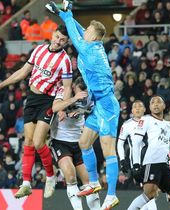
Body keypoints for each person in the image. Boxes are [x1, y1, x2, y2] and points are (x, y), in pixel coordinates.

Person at [0, 25, 73, 199]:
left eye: (62, 40)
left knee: (39, 142)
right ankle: (26, 184)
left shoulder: (65, 61)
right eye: (57, 37)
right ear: (53, 35)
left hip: (48, 101)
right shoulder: (39, 50)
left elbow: (67, 87)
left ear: (66, 42)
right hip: (32, 99)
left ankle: (50, 176)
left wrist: (62, 106)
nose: (58, 41)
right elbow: (23, 72)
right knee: (29, 142)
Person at [46, 1, 120, 209]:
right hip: (98, 105)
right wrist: (65, 13)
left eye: (88, 30)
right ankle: (94, 183)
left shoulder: (90, 51)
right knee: (84, 143)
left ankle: (112, 195)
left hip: (107, 106)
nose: (84, 32)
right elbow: (77, 29)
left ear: (94, 35)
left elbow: (74, 32)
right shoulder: (94, 45)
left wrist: (65, 14)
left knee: (108, 150)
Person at [50, 77, 100, 210]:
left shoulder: (90, 95)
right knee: (71, 176)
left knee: (89, 182)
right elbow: (55, 107)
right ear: (73, 88)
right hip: (60, 141)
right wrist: (73, 99)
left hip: (80, 141)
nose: (83, 97)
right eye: (80, 93)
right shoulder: (63, 90)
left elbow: (95, 112)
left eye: (85, 93)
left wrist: (81, 111)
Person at [127, 95, 170, 210]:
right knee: (150, 194)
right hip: (151, 163)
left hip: (164, 164)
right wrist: (136, 165)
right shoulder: (145, 120)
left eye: (158, 102)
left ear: (164, 106)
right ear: (149, 107)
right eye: (153, 102)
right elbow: (136, 143)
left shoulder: (169, 125)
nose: (156, 104)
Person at [117, 100, 157, 209]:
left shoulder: (152, 122)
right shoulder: (127, 125)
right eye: (135, 107)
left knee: (150, 191)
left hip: (153, 160)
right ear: (132, 110)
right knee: (149, 191)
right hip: (137, 163)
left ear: (145, 109)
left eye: (140, 106)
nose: (138, 108)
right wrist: (122, 160)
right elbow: (120, 144)